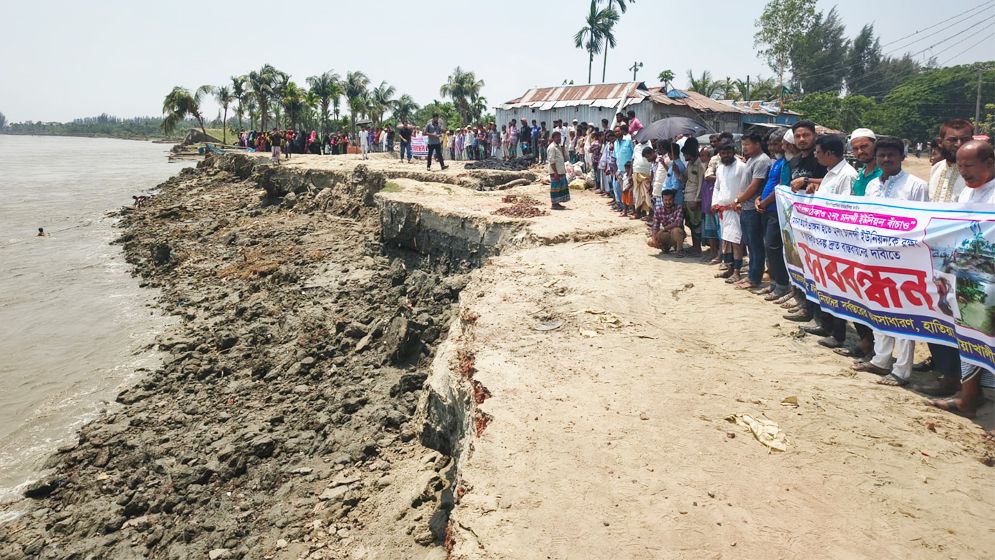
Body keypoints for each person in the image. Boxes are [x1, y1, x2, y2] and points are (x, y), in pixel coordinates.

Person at [928, 140, 995, 441]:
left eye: (969, 166)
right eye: (961, 166)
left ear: (990, 163)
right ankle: (969, 397)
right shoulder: (967, 191)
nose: (964, 172)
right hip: (968, 277)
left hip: (987, 278)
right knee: (969, 335)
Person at [851, 136, 929, 387]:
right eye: (881, 155)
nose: (886, 160)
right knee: (878, 307)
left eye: (891, 155)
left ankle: (902, 369)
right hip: (875, 256)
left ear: (902, 157)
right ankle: (881, 359)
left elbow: (922, 224)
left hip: (904, 260)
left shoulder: (916, 186)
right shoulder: (873, 185)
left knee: (905, 313)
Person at [755, 129, 791, 300]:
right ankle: (774, 282)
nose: (771, 147)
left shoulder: (785, 163)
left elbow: (780, 188)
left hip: (776, 211)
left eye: (775, 143)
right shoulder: (775, 162)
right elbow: (769, 183)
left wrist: (765, 202)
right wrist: (759, 199)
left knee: (773, 247)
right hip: (765, 208)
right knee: (768, 247)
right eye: (769, 143)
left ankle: (783, 284)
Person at [733, 132, 772, 289]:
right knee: (749, 244)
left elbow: (754, 186)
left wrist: (738, 200)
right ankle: (751, 274)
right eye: (743, 144)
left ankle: (755, 278)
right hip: (745, 207)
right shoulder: (751, 160)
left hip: (754, 209)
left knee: (756, 245)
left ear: (757, 144)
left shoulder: (762, 160)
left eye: (747, 144)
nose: (744, 147)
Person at [712, 141, 750, 282]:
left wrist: (739, 202)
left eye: (728, 152)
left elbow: (747, 187)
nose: (726, 155)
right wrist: (714, 203)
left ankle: (737, 271)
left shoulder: (741, 167)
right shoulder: (720, 167)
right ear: (719, 154)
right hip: (722, 210)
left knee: (736, 241)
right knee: (726, 240)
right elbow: (717, 187)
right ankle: (729, 268)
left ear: (733, 152)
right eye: (723, 153)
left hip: (736, 210)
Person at [929, 119, 973, 203]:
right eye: (952, 140)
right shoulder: (936, 168)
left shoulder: (979, 173)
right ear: (940, 142)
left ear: (972, 140)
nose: (959, 144)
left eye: (965, 140)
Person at [681, 138, 704, 256]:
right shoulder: (689, 164)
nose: (684, 155)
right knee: (690, 223)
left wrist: (697, 199)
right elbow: (684, 179)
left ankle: (697, 247)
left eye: (685, 153)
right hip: (687, 196)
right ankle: (695, 246)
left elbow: (701, 183)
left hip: (693, 199)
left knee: (696, 224)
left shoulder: (700, 165)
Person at [647, 190, 685, 254]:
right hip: (666, 234)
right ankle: (665, 247)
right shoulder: (658, 210)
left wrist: (664, 229)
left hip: (676, 234)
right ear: (662, 200)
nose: (668, 202)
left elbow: (678, 222)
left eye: (670, 199)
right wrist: (654, 238)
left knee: (677, 231)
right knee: (650, 241)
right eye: (665, 200)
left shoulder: (679, 208)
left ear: (673, 199)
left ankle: (679, 250)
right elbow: (655, 226)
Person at [632, 146, 656, 220]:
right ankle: (639, 212)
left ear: (652, 153)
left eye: (648, 157)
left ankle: (652, 215)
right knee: (638, 195)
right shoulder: (636, 147)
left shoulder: (658, 160)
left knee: (648, 196)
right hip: (637, 173)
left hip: (647, 176)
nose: (647, 159)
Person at [548, 131, 570, 210]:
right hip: (555, 172)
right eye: (557, 137)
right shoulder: (552, 147)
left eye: (559, 137)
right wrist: (555, 173)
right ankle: (554, 204)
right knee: (555, 188)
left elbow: (564, 158)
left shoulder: (558, 147)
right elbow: (552, 161)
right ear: (553, 138)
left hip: (560, 170)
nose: (559, 139)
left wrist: (563, 149)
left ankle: (557, 203)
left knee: (559, 188)